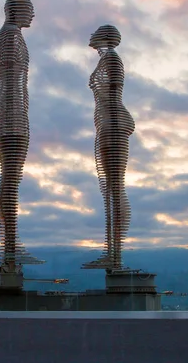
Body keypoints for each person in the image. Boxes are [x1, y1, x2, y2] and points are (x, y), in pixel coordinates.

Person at [0, 0, 39, 272]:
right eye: (29, 11)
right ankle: (10, 248)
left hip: (13, 113)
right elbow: (9, 78)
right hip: (14, 116)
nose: (32, 16)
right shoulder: (10, 37)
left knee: (10, 180)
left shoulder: (8, 36)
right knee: (10, 180)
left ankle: (11, 246)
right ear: (17, 11)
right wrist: (9, 108)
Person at [83, 25, 135, 270]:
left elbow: (111, 93)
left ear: (103, 38)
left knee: (114, 189)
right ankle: (112, 252)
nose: (90, 37)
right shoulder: (108, 59)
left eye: (95, 34)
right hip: (109, 124)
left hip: (112, 125)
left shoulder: (112, 59)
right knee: (110, 190)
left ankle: (115, 254)